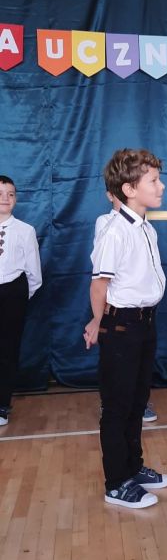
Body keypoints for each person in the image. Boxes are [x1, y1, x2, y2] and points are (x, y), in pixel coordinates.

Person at [84, 149, 167, 509]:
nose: (161, 186)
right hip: (121, 326)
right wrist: (99, 323)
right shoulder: (114, 231)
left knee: (137, 401)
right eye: (154, 180)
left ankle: (133, 467)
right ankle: (116, 482)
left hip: (145, 323)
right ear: (129, 189)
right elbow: (99, 286)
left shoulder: (147, 228)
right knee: (117, 405)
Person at [95, 191, 158, 424]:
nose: (159, 187)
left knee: (139, 373)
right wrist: (97, 318)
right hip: (118, 311)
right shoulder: (109, 225)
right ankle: (110, 403)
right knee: (116, 375)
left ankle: (138, 403)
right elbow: (101, 281)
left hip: (144, 314)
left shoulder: (146, 227)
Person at [0, 175, 42, 426]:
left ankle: (2, 403)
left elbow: (34, 273)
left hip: (12, 293)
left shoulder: (25, 231)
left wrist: (18, 297)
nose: (5, 198)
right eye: (0, 193)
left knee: (7, 350)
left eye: (11, 194)